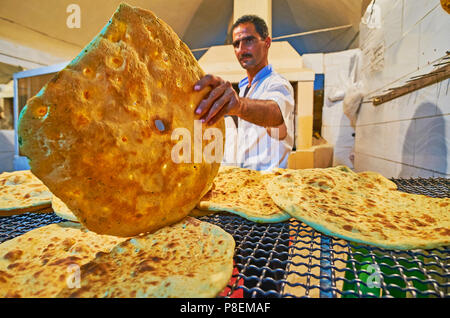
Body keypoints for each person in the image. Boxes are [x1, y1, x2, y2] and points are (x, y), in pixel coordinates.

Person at [194, 15, 295, 171]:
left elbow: (275, 113)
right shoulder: (244, 89)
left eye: (249, 40)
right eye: (236, 44)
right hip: (246, 182)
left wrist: (239, 106)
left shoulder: (278, 84)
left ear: (267, 43)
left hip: (270, 184)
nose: (241, 49)